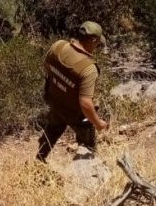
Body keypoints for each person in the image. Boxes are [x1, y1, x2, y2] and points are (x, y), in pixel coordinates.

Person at [37, 21, 110, 162]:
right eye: (98, 43)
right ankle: (87, 175)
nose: (97, 47)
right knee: (88, 146)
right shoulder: (89, 69)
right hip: (75, 114)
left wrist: (60, 85)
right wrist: (98, 123)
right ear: (94, 40)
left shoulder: (58, 46)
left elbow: (46, 67)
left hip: (55, 102)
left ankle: (39, 159)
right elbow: (85, 103)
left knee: (52, 131)